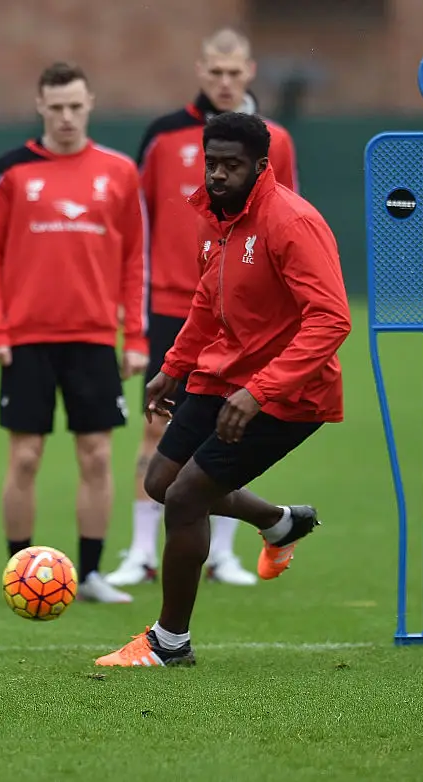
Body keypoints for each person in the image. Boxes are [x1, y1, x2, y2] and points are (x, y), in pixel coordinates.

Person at [95, 111, 351, 667]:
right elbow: (208, 303)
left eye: (231, 166)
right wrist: (174, 365)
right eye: (211, 163)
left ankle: (169, 642)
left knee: (187, 497)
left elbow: (331, 320)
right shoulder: (220, 218)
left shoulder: (291, 222)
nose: (217, 175)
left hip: (289, 394)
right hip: (223, 375)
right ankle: (280, 522)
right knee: (162, 481)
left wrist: (260, 391)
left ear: (262, 166)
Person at [104, 28, 299, 589]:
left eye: (234, 72)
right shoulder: (164, 135)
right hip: (174, 302)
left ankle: (224, 557)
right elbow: (135, 221)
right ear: (200, 70)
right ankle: (140, 551)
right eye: (215, 71)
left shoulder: (276, 141)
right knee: (156, 431)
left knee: (230, 432)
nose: (224, 81)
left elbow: (287, 220)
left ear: (250, 72)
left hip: (242, 314)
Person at [0, 62, 148, 604]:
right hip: (25, 338)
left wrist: (137, 337)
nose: (67, 116)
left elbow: (135, 258)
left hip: (94, 337)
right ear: (40, 107)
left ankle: (92, 573)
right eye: (57, 107)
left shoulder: (119, 172)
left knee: (96, 455)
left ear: (90, 103)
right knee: (24, 457)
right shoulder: (13, 170)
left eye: (76, 106)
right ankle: (17, 572)